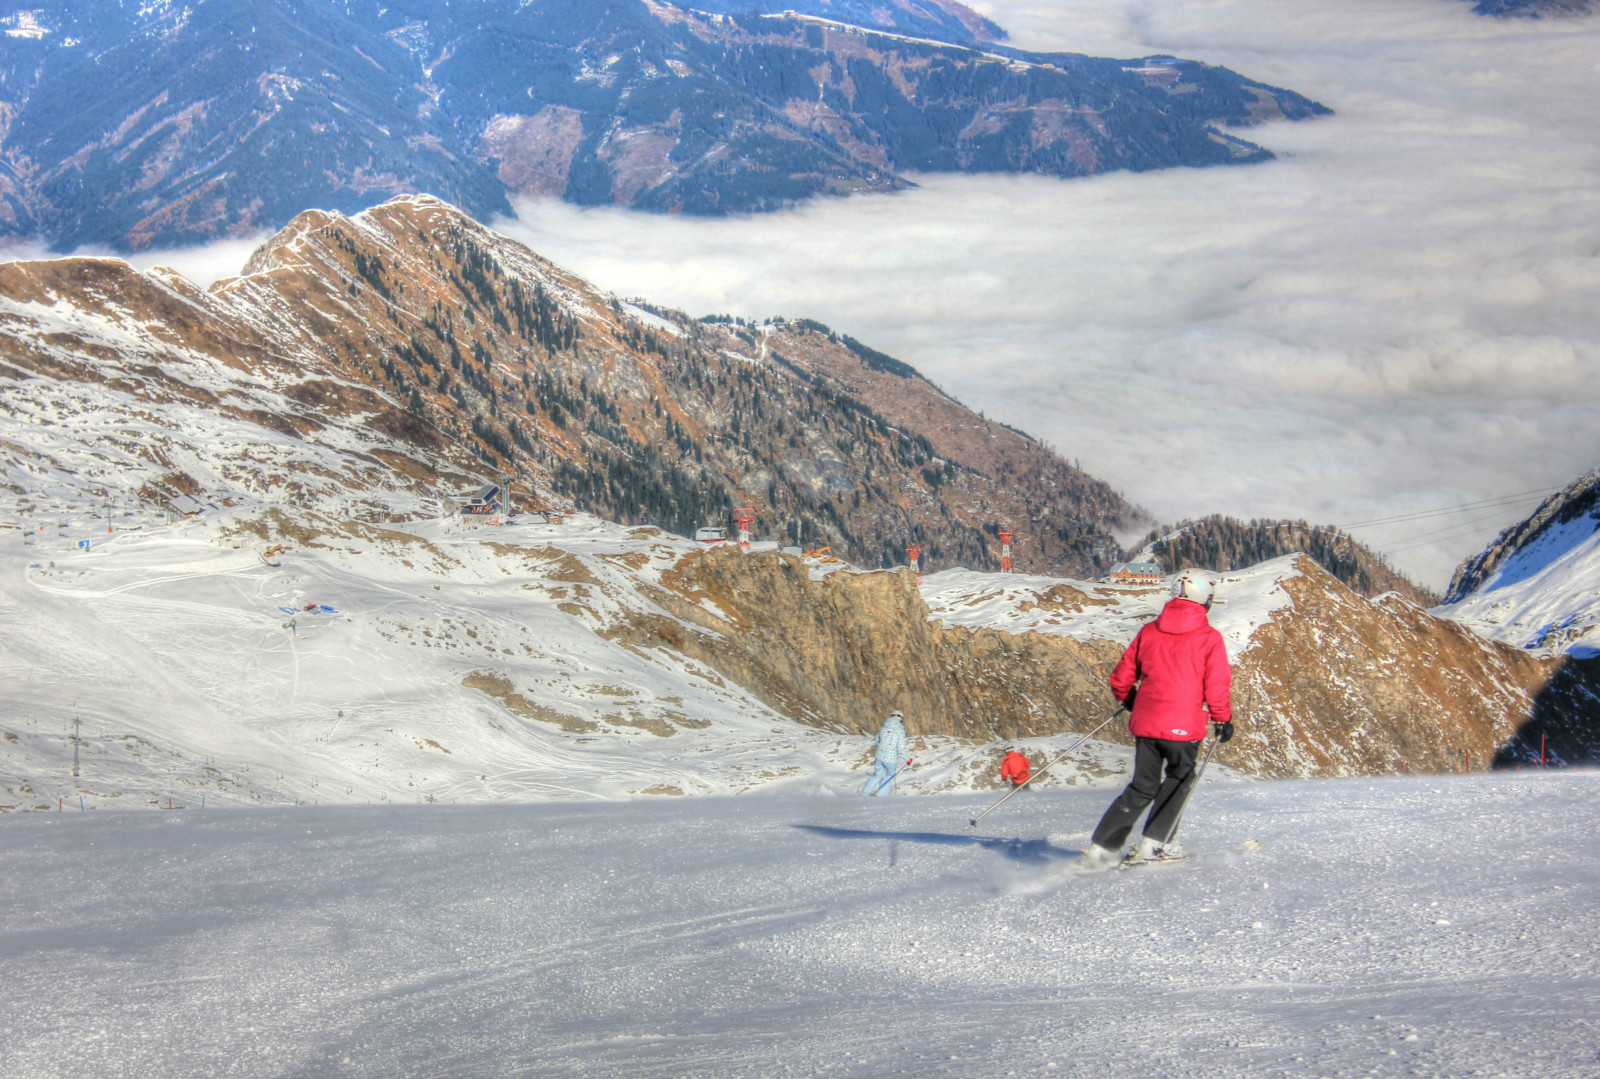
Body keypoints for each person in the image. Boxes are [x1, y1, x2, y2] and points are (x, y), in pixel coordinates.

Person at [1082, 568, 1235, 866]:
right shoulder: (1209, 638)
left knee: (1143, 785)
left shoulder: (1149, 631)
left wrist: (1129, 699)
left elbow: (1121, 677)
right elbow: (1216, 685)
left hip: (1146, 723)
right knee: (1180, 778)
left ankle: (1102, 847)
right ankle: (1155, 844)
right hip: (1184, 725)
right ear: (1204, 598)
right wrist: (1222, 720)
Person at [863, 710, 911, 796]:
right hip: (891, 759)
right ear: (901, 719)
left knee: (877, 775)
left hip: (879, 756)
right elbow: (900, 749)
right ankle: (880, 796)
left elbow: (877, 742)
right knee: (889, 776)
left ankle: (864, 794)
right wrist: (907, 759)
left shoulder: (884, 727)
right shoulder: (900, 730)